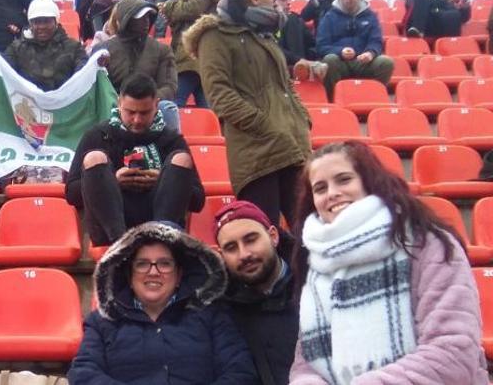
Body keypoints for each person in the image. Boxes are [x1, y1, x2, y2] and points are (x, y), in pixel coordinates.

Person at [289, 140, 488, 384]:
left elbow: (453, 350)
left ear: (370, 182)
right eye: (320, 188)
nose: (332, 193)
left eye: (344, 179)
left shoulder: (426, 244)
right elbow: (306, 365)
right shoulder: (317, 266)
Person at [184, 0, 311, 226]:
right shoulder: (215, 36)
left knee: (309, 237)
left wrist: (301, 118)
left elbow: (283, 85)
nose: (275, 0)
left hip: (292, 146)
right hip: (258, 153)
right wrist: (265, 125)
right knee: (266, 238)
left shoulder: (261, 34)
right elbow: (220, 95)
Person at [68, 221, 259, 384]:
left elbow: (240, 371)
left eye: (164, 263)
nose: (153, 272)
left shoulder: (211, 314)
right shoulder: (102, 321)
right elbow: (83, 373)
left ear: (179, 275)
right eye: (142, 264)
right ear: (129, 275)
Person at [66, 73, 203, 246]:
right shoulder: (97, 135)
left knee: (181, 159)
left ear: (156, 105)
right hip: (110, 231)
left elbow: (198, 200)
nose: (137, 120)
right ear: (119, 103)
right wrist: (112, 182)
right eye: (130, 112)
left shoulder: (172, 139)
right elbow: (71, 193)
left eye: (144, 113)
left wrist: (164, 181)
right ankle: (122, 246)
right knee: (95, 157)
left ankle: (160, 241)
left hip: (160, 222)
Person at [215, 200, 299, 385]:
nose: (244, 254)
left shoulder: (314, 286)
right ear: (222, 256)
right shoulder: (222, 309)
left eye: (251, 239)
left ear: (273, 236)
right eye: (231, 248)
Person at [97, 0, 179, 131]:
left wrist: (146, 102)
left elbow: (169, 86)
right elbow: (97, 88)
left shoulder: (161, 50)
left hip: (150, 105)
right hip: (113, 105)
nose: (146, 21)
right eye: (140, 17)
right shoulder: (104, 50)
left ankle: (172, 150)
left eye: (148, 17)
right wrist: (123, 103)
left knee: (168, 107)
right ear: (126, 20)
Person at [158, 0, 222, 108]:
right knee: (204, 104)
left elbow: (191, 10)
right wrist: (171, 16)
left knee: (174, 102)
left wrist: (168, 7)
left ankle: (171, 131)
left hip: (189, 55)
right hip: (200, 56)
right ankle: (206, 132)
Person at [316, 0, 393, 100]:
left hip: (363, 62)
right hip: (340, 62)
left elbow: (376, 41)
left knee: (386, 62)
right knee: (329, 60)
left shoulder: (370, 16)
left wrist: (370, 53)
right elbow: (321, 46)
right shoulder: (329, 17)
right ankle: (334, 101)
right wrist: (340, 51)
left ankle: (373, 99)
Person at [4, 0, 88, 91]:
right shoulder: (16, 49)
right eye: (37, 22)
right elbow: (3, 68)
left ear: (56, 22)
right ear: (30, 24)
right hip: (28, 103)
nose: (42, 26)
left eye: (47, 21)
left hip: (63, 102)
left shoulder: (73, 47)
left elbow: (84, 71)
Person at [273, 0, 323, 82]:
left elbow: (312, 42)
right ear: (273, 2)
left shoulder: (295, 20)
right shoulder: (265, 22)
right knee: (291, 19)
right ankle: (300, 64)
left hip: (297, 58)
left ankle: (302, 65)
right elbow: (273, 47)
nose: (288, 3)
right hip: (278, 59)